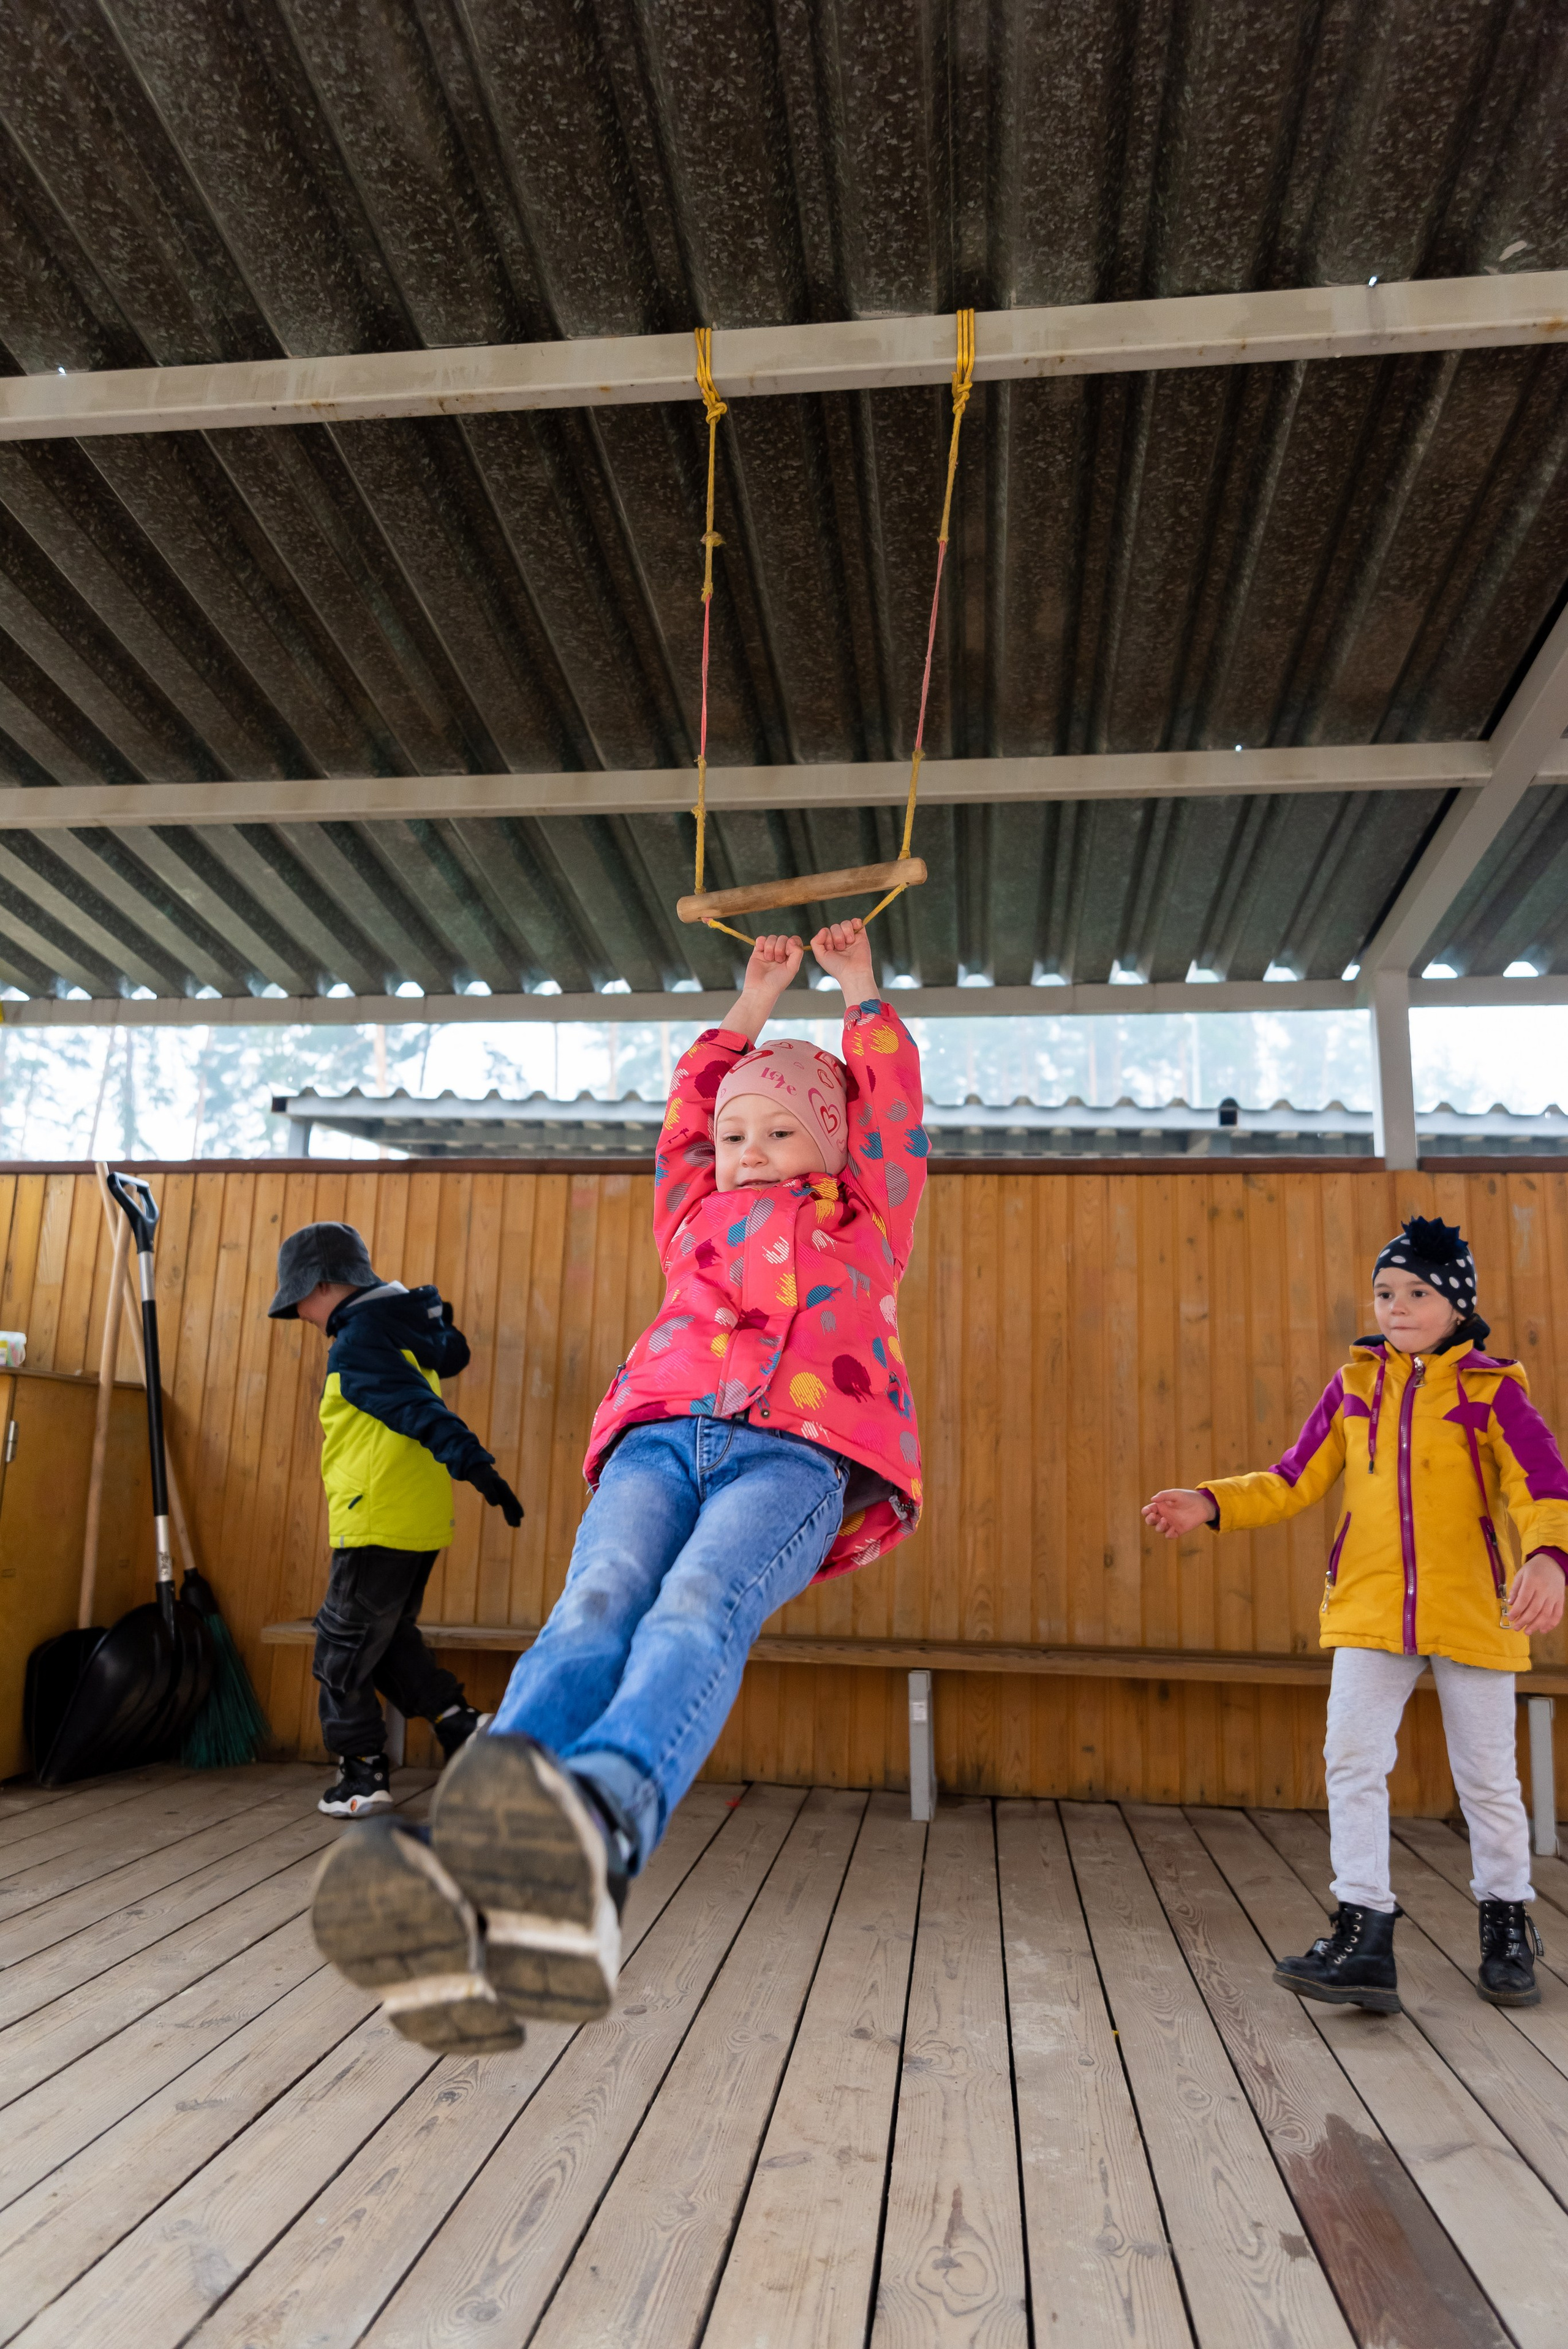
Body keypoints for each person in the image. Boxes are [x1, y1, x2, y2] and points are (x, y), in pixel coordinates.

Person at [308, 918, 928, 2054]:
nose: (746, 1146)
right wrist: (752, 1000)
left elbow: (889, 1102)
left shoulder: (869, 1222)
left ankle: (597, 1818)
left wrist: (858, 991)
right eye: (737, 1133)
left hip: (789, 1458)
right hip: (656, 1438)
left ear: (832, 1148)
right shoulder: (690, 1211)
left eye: (781, 1130)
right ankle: (474, 1860)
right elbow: (690, 1102)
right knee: (592, 1609)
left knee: (694, 1608)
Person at [1144, 1215, 1568, 2013]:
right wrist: (1210, 1501)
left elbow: (1543, 1488)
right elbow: (1290, 1476)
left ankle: (1507, 1923)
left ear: (1456, 1303)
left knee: (1487, 1777)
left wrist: (1548, 1557)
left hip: (1477, 1612)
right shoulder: (1354, 1387)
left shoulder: (1493, 1391)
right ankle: (1364, 1930)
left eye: (1416, 1291)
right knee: (1352, 1759)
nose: (1396, 1305)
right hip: (1370, 1612)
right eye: (1384, 1291)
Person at [268, 1221, 523, 1817]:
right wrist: (434, 1316)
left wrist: (477, 1465)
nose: (301, 1312)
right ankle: (459, 1724)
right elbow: (449, 1352)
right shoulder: (397, 1328)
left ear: (324, 1284)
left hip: (375, 1519)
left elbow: (417, 1409)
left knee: (339, 1650)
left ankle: (361, 1775)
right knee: (381, 1642)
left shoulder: (359, 1340)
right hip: (416, 1519)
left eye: (299, 1297)